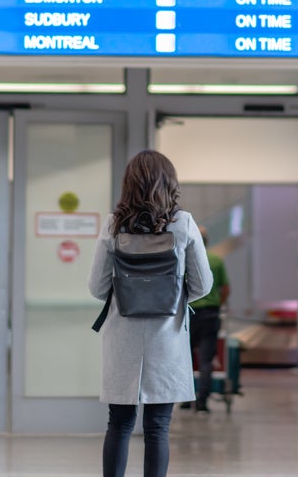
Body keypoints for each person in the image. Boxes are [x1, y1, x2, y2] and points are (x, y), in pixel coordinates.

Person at [89, 150, 213, 477]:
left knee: (119, 423)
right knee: (158, 427)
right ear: (169, 183)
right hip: (166, 338)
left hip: (122, 339)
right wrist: (172, 297)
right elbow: (203, 284)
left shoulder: (113, 224)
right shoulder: (183, 223)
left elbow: (96, 286)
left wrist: (125, 294)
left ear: (128, 184)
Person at [187, 226, 229, 413]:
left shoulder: (186, 259)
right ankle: (202, 401)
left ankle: (186, 399)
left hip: (189, 314)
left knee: (185, 359)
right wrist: (216, 304)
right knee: (206, 360)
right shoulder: (216, 260)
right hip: (210, 315)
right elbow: (225, 288)